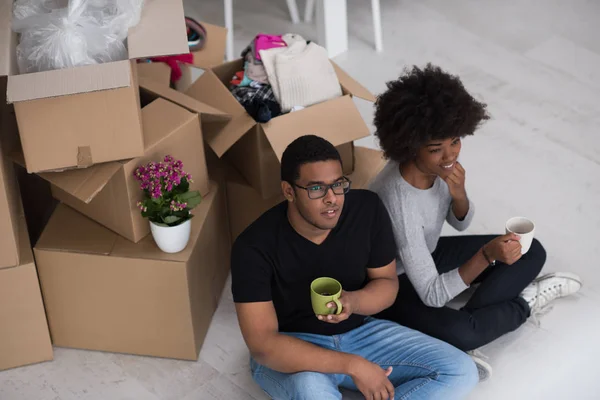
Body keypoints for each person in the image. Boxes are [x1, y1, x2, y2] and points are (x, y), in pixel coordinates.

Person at [369, 64, 582, 381]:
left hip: (428, 253)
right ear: (409, 145)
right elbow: (432, 295)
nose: (448, 155)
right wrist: (486, 256)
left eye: (454, 141)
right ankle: (523, 303)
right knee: (465, 333)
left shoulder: (438, 169)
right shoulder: (398, 202)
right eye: (435, 149)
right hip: (392, 283)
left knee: (530, 248)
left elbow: (461, 223)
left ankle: (477, 322)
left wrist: (458, 193)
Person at [231, 135, 478, 400]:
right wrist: (353, 365)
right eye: (316, 189)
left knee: (461, 371)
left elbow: (387, 283)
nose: (332, 199)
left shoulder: (366, 209)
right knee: (311, 392)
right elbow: (263, 345)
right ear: (289, 191)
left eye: (338, 185)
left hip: (361, 333)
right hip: (293, 345)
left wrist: (353, 301)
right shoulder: (253, 246)